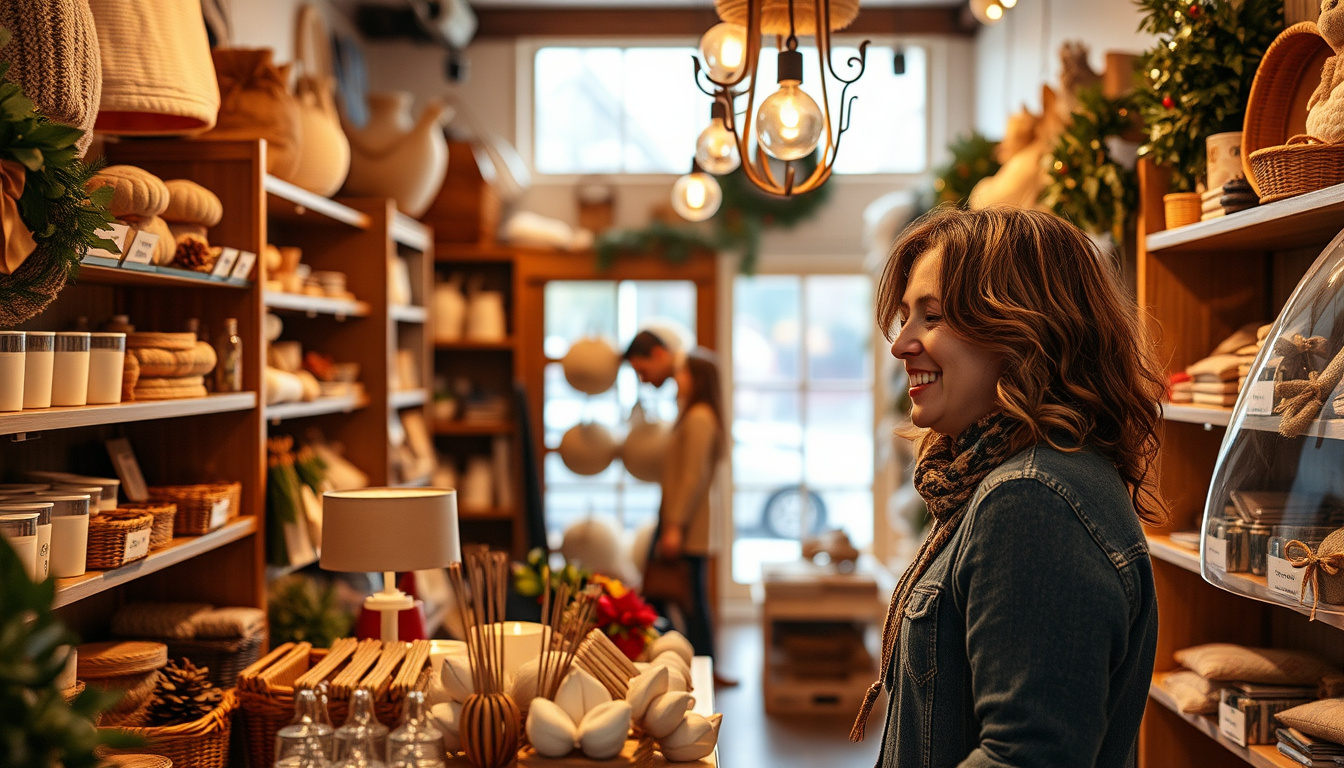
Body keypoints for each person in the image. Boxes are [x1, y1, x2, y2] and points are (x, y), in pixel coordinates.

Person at [851, 207, 1164, 768]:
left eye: (933, 317)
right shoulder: (1016, 477)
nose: (901, 345)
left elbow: (1025, 757)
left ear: (1022, 331)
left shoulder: (1031, 498)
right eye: (904, 318)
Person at [646, 349, 735, 686]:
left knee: (686, 600)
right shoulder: (696, 414)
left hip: (685, 525)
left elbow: (691, 478)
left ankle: (699, 667)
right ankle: (697, 665)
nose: (677, 378)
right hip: (683, 523)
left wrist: (673, 526)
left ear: (696, 379)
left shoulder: (699, 417)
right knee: (685, 598)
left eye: (683, 373)